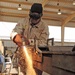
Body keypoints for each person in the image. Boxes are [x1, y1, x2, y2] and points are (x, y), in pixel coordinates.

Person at [10, 3, 49, 75]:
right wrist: (15, 36)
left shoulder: (44, 27)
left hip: (37, 59)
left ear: (40, 16)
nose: (33, 19)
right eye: (32, 17)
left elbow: (43, 42)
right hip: (23, 57)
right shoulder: (23, 22)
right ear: (30, 14)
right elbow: (14, 32)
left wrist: (29, 42)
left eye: (36, 17)